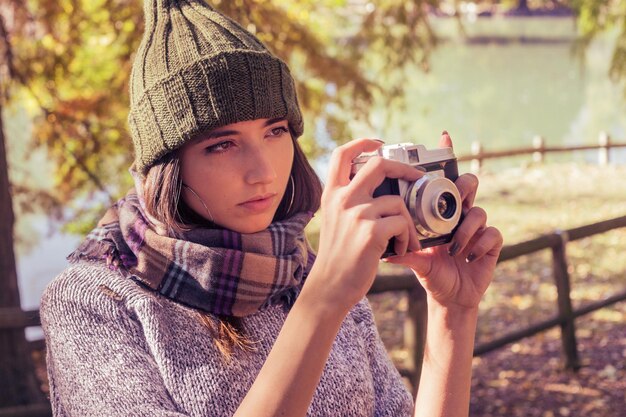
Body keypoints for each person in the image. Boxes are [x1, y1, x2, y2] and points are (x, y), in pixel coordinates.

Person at [40, 1, 503, 416]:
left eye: (276, 131)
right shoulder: (93, 303)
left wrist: (452, 315)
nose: (263, 171)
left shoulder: (303, 271)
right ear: (169, 166)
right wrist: (322, 302)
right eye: (222, 145)